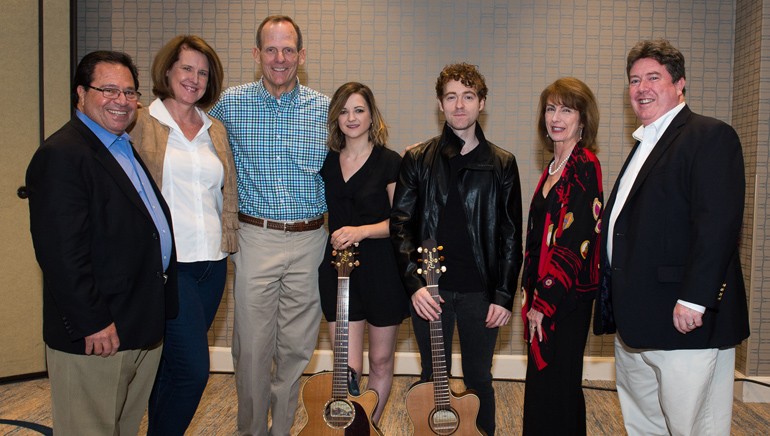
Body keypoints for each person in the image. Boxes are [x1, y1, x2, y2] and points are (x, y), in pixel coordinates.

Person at [595, 39, 749, 435]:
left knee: (692, 425)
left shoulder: (709, 136)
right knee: (644, 422)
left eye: (653, 77)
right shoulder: (646, 143)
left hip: (684, 320)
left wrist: (694, 299)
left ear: (679, 84)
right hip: (639, 321)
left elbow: (717, 224)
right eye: (633, 80)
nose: (641, 88)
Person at [25, 50, 177, 434]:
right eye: (109, 90)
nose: (121, 101)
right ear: (80, 93)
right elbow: (61, 253)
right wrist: (92, 321)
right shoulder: (62, 155)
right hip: (98, 332)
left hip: (136, 322)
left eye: (129, 92)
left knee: (122, 428)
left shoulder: (121, 145)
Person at [209, 15, 330, 435]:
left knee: (297, 350)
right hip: (255, 237)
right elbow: (193, 143)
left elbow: (357, 161)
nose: (280, 58)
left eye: (289, 49)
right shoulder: (229, 103)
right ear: (257, 54)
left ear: (301, 55)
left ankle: (282, 431)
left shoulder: (324, 108)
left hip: (312, 239)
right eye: (271, 49)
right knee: (253, 350)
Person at [390, 62, 523, 435]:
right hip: (431, 292)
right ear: (440, 104)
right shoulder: (418, 159)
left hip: (481, 294)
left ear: (482, 103)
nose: (459, 105)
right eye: (451, 97)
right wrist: (414, 286)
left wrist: (504, 294)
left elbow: (512, 235)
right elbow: (401, 227)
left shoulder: (502, 163)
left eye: (468, 96)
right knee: (433, 376)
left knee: (480, 378)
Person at [129, 35, 238, 435]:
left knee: (171, 369)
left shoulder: (215, 129)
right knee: (193, 371)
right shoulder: (140, 121)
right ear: (168, 71)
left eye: (203, 72)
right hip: (168, 267)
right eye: (187, 68)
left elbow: (224, 195)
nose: (194, 78)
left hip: (212, 264)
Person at [318, 82, 409, 424]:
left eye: (358, 110)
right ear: (335, 118)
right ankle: (350, 429)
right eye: (343, 111)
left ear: (372, 115)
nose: (351, 117)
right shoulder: (326, 162)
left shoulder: (390, 162)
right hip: (339, 272)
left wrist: (360, 231)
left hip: (382, 271)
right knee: (347, 367)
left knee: (382, 362)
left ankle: (368, 427)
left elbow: (401, 222)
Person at [521, 77, 603, 435]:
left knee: (560, 387)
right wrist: (530, 294)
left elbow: (576, 240)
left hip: (565, 299)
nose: (556, 117)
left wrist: (545, 300)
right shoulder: (552, 168)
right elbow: (537, 239)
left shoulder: (585, 165)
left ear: (582, 120)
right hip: (542, 294)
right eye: (551, 108)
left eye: (566, 109)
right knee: (541, 387)